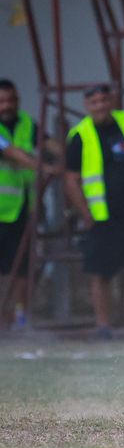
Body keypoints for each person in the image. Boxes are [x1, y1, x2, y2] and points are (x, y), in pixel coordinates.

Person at [65, 84, 124, 343]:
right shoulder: (80, 135)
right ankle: (103, 328)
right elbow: (72, 179)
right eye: (94, 102)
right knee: (101, 273)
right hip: (103, 216)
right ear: (87, 106)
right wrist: (84, 212)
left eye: (104, 100)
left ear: (112, 101)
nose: (100, 106)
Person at [0, 80, 43, 329]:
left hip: (20, 209)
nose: (7, 106)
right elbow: (13, 153)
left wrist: (64, 157)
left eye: (12, 100)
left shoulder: (27, 124)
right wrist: (45, 167)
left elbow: (48, 143)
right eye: (2, 101)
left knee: (23, 267)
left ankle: (21, 317)